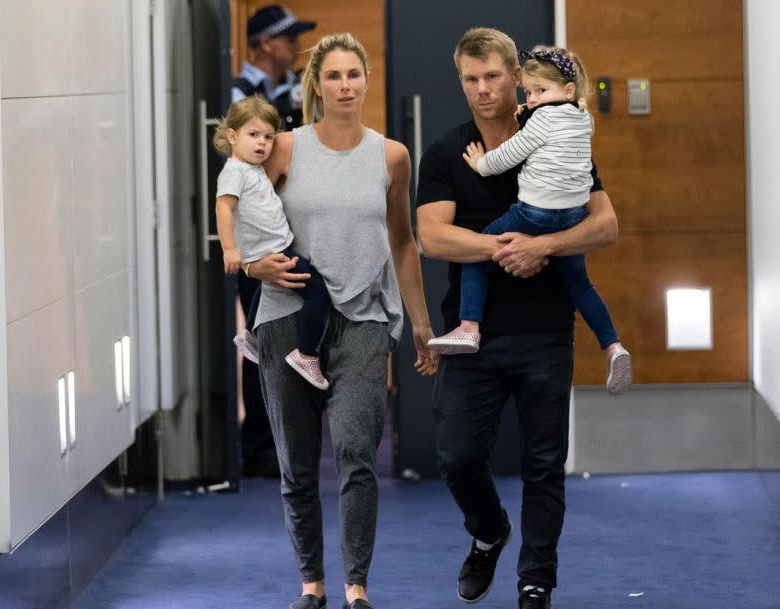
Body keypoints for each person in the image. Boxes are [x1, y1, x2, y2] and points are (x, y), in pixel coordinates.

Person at [416, 28, 619, 609]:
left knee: (543, 468)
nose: (483, 90)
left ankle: (537, 582)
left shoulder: (558, 134)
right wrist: (509, 249)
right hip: (471, 338)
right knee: (456, 457)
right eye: (470, 80)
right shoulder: (446, 151)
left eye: (493, 77)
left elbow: (604, 225)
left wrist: (544, 249)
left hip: (545, 332)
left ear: (516, 77)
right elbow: (432, 237)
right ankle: (488, 532)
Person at [247, 33, 438, 609]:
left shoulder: (391, 156)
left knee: (357, 451)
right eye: (334, 76)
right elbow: (243, 222)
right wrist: (257, 267)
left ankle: (356, 586)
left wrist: (422, 324)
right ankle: (312, 584)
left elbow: (403, 243)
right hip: (287, 317)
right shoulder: (282, 148)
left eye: (354, 74)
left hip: (364, 319)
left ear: (366, 80)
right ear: (317, 85)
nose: (346, 85)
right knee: (297, 463)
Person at [428, 45, 632, 395]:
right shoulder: (582, 118)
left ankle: (468, 327)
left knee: (477, 261)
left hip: (533, 214)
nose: (534, 99)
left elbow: (507, 156)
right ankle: (613, 346)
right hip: (572, 216)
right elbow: (431, 239)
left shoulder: (541, 120)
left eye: (541, 91)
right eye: (531, 93)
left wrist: (480, 163)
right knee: (580, 285)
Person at [231, 3, 316, 475]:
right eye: (287, 38)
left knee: (305, 332)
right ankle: (260, 446)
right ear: (265, 43)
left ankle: (293, 438)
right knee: (265, 337)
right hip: (258, 236)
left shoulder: (298, 90)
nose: (293, 46)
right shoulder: (239, 94)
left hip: (301, 228)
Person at [213, 96, 332, 389]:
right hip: (271, 251)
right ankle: (307, 353)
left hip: (276, 245)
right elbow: (223, 208)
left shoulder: (253, 169)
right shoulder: (234, 172)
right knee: (319, 294)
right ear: (232, 136)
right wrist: (230, 249)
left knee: (266, 288)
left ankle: (251, 335)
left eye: (268, 136)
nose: (262, 143)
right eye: (253, 135)